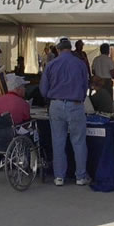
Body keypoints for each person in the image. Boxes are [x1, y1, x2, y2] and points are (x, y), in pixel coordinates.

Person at [39, 36, 90, 187]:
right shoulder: (80, 64)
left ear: (58, 50)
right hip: (75, 104)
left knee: (58, 141)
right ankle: (80, 176)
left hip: (56, 104)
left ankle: (59, 177)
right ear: (71, 48)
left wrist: (52, 97)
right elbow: (85, 85)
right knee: (79, 141)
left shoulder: (51, 64)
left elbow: (43, 89)